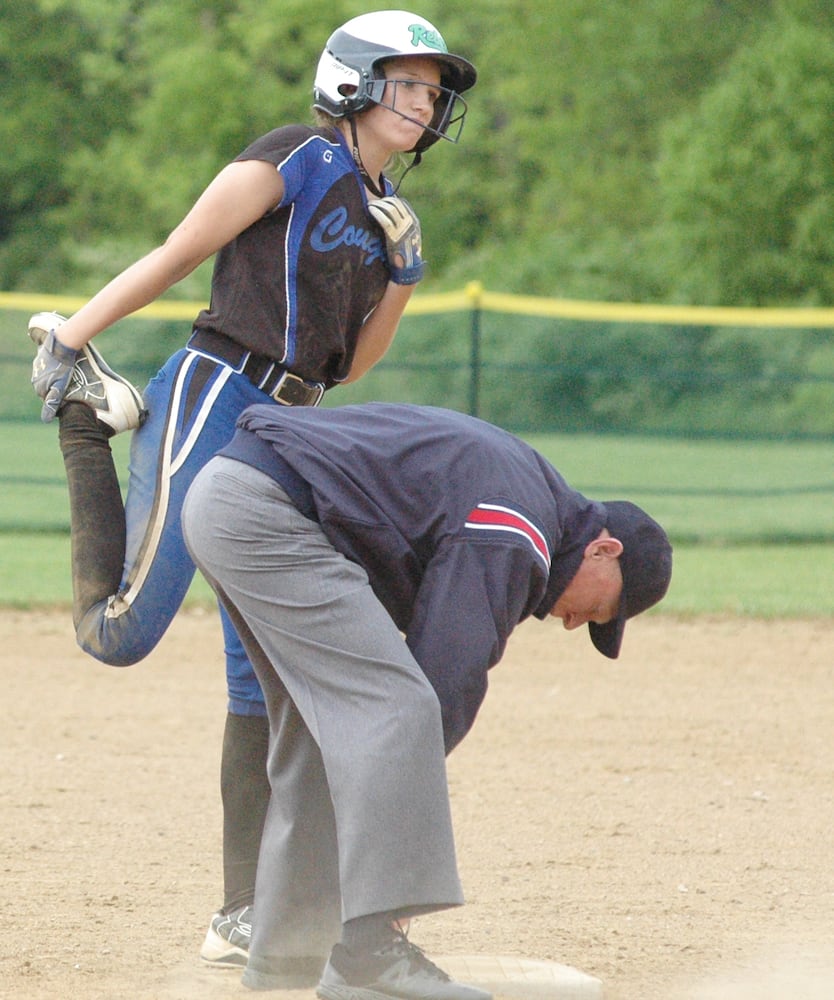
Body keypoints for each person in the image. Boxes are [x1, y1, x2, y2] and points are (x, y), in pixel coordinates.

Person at [26, 9, 477, 968]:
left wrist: (403, 273)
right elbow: (178, 253)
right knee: (120, 634)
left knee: (256, 678)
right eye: (408, 82)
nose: (427, 102)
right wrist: (71, 336)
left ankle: (241, 912)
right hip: (219, 393)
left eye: (434, 91)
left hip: (295, 429)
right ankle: (86, 420)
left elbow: (353, 364)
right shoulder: (292, 159)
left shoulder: (382, 207)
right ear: (351, 82)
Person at [180, 400, 673, 997]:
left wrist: (381, 800)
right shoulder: (520, 530)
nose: (578, 624)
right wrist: (390, 857)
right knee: (396, 712)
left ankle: (292, 953)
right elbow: (441, 681)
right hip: (269, 513)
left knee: (328, 729)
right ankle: (370, 954)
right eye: (601, 608)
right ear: (605, 550)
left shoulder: (528, 501)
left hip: (236, 500)